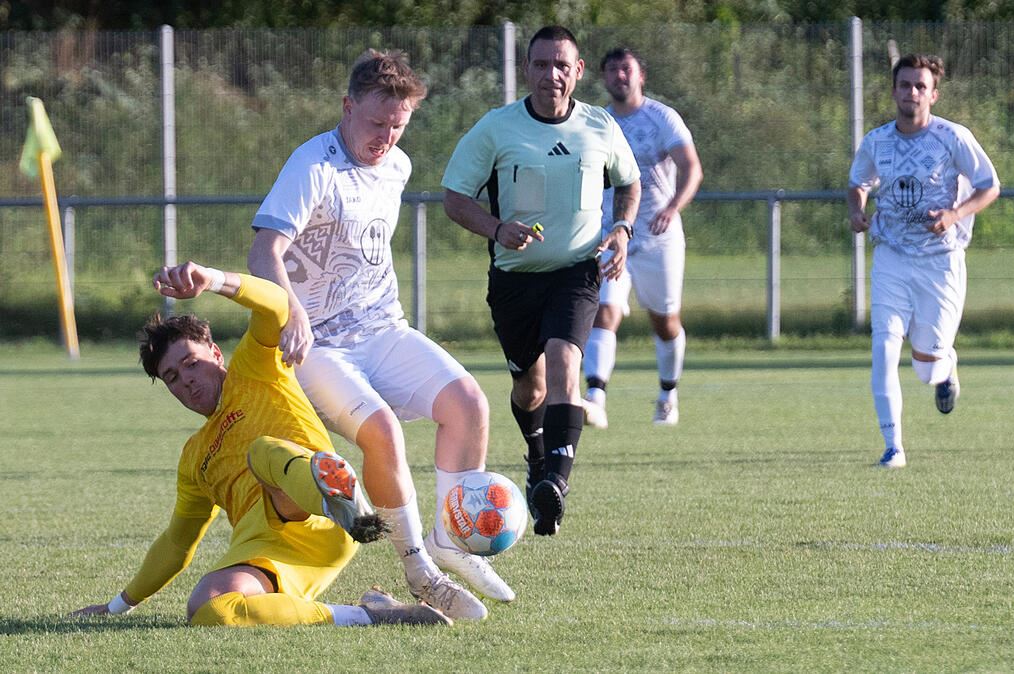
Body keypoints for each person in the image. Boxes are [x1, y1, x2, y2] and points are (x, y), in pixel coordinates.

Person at [246, 49, 502, 619]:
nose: (385, 137)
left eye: (397, 125)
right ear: (347, 106)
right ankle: (420, 572)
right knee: (382, 431)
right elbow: (264, 249)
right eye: (375, 123)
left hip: (383, 328)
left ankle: (450, 540)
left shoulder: (399, 165)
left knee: (469, 404)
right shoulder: (312, 166)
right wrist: (294, 310)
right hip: (320, 346)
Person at [71, 261, 451, 627]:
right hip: (273, 552)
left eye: (191, 363)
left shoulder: (254, 367)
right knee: (209, 609)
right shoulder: (194, 457)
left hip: (314, 511)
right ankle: (370, 614)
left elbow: (276, 303)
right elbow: (177, 542)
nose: (185, 380)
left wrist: (214, 280)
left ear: (216, 353)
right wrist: (116, 606)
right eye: (171, 377)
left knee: (263, 451)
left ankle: (337, 500)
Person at [441, 26, 641, 536]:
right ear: (526, 70)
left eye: (561, 65)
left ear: (577, 71)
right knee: (528, 389)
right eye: (541, 64)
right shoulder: (495, 128)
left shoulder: (599, 126)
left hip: (576, 272)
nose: (551, 74)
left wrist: (621, 229)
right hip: (514, 282)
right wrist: (496, 228)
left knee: (565, 365)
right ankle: (535, 459)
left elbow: (630, 182)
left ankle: (555, 483)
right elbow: (455, 198)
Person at [848, 53, 1000, 468]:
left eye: (920, 86)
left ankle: (946, 365)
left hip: (940, 262)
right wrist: (857, 209)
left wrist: (954, 214)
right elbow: (858, 181)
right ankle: (893, 446)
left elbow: (990, 187)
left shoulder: (952, 137)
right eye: (904, 85)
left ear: (933, 94)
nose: (911, 93)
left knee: (926, 368)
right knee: (883, 348)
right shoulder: (877, 141)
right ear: (893, 91)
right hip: (892, 256)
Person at [580, 47, 704, 429]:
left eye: (626, 69)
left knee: (665, 322)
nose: (620, 76)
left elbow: (691, 168)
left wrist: (673, 207)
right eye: (612, 69)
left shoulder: (661, 117)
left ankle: (668, 393)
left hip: (657, 237)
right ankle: (595, 397)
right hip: (612, 234)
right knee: (604, 311)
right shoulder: (596, 121)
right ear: (603, 77)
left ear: (641, 76)